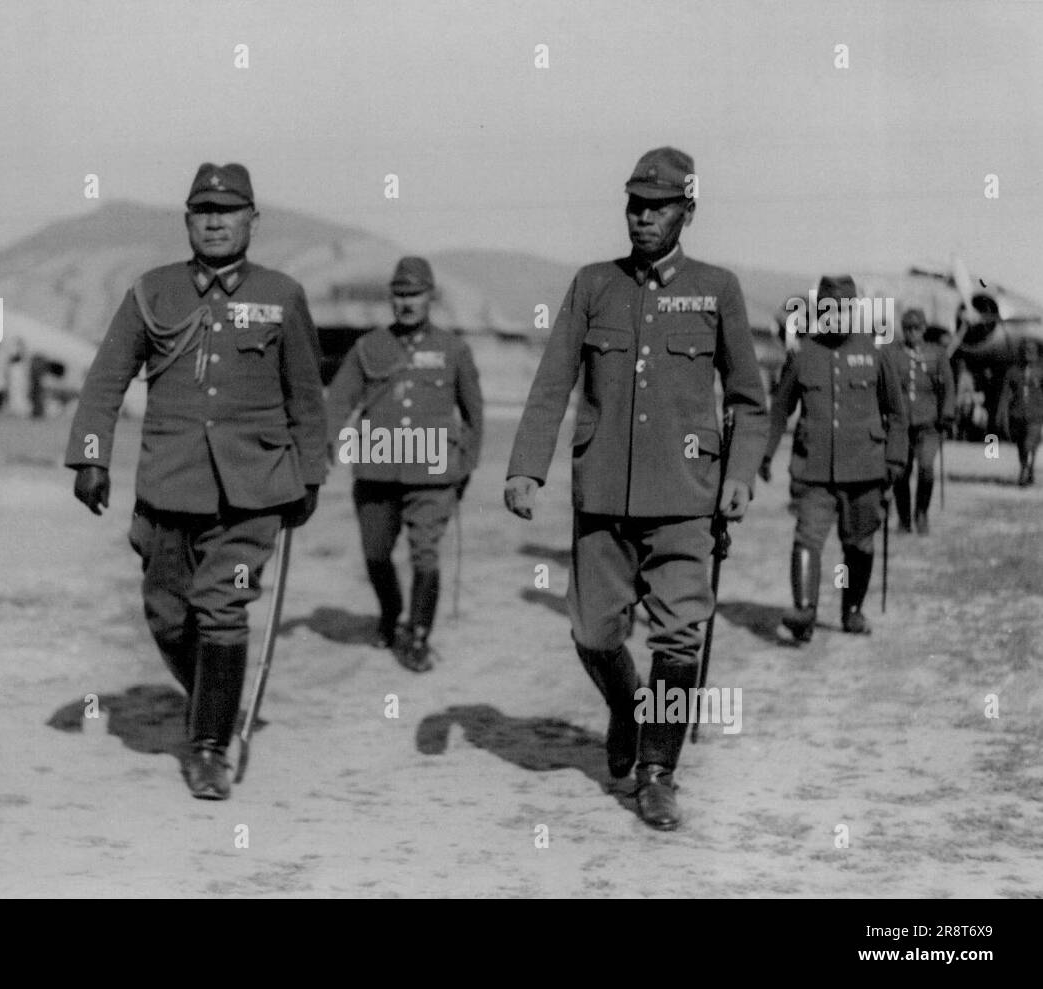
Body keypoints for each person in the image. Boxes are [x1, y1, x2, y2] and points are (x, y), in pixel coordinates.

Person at [504, 147, 768, 830]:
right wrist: (525, 466)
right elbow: (552, 381)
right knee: (592, 629)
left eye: (658, 206)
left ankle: (657, 774)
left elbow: (749, 398)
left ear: (689, 210)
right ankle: (626, 704)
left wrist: (738, 475)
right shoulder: (594, 285)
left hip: (685, 495)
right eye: (635, 204)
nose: (643, 217)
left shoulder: (718, 288)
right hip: (603, 496)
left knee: (679, 639)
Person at [65, 162, 328, 800]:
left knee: (221, 608)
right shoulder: (153, 292)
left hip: (254, 491)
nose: (215, 222)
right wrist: (92, 457)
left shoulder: (283, 294)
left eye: (229, 211)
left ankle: (208, 745)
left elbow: (306, 398)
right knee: (165, 616)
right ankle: (215, 698)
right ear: (188, 221)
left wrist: (309, 477)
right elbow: (106, 379)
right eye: (203, 212)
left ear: (252, 222)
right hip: (169, 485)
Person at [326, 257, 484, 671]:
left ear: (431, 296)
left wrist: (463, 466)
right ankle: (390, 611)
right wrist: (322, 448)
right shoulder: (368, 347)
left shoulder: (453, 349)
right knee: (376, 554)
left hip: (432, 472)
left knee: (425, 555)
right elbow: (339, 402)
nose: (407, 302)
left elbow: (474, 414)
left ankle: (417, 636)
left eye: (414, 294)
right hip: (377, 467)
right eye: (399, 295)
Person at [760, 275, 908, 641]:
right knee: (807, 536)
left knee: (859, 543)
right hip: (814, 469)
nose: (836, 315)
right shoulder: (803, 354)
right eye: (829, 309)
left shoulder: (877, 352)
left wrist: (895, 460)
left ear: (854, 309)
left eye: (843, 308)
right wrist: (764, 454)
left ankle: (853, 611)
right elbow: (780, 409)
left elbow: (897, 414)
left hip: (865, 468)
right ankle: (804, 611)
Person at [891, 309, 955, 534]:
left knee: (926, 470)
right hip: (900, 425)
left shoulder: (937, 354)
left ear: (924, 329)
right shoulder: (893, 354)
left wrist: (946, 415)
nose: (912, 333)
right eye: (907, 329)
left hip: (929, 424)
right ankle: (904, 518)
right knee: (900, 473)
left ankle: (922, 513)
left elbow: (948, 387)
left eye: (916, 328)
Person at [996, 337, 1043, 486]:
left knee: (1030, 443)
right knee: (1022, 446)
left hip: (1036, 415)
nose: (1028, 353)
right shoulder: (1013, 372)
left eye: (1031, 350)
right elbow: (1005, 395)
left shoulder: (1041, 371)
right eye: (1025, 350)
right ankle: (1027, 467)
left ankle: (1024, 472)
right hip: (1017, 415)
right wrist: (1001, 413)